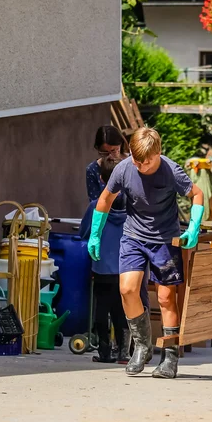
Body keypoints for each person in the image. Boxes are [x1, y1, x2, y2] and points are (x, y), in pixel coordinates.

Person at [88, 127, 204, 379]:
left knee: (165, 298)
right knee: (127, 289)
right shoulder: (124, 168)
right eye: (136, 160)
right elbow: (106, 198)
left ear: (158, 153)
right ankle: (141, 346)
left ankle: (170, 356)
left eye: (146, 162)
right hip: (133, 237)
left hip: (164, 239)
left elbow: (197, 194)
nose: (140, 166)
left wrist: (194, 226)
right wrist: (95, 233)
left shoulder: (171, 171)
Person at [79, 156, 130, 363]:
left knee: (102, 311)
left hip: (101, 267)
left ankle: (104, 352)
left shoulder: (95, 207)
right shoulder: (132, 209)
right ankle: (124, 352)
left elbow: (84, 233)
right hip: (126, 267)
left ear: (101, 179)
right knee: (121, 311)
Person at [87, 125, 128, 201]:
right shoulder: (93, 169)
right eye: (105, 152)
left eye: (113, 151)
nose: (110, 156)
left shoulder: (132, 162)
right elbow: (95, 202)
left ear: (120, 144)